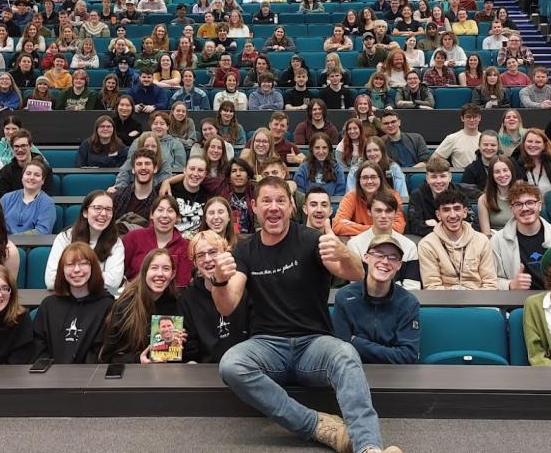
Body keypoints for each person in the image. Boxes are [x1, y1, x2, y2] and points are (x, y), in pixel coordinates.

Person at [211, 177, 399, 453]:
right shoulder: (245, 251)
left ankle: (369, 447)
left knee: (346, 354)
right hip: (267, 346)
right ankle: (316, 426)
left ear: (291, 207)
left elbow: (356, 274)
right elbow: (226, 306)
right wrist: (218, 281)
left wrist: (344, 253)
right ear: (254, 206)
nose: (273, 207)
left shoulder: (313, 240)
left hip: (314, 345)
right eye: (266, 201)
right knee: (231, 366)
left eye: (280, 201)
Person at [332, 235, 421, 364]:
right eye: (379, 255)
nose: (385, 261)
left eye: (393, 257)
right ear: (366, 258)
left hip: (396, 376)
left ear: (399, 265)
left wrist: (356, 342)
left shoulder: (408, 303)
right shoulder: (345, 297)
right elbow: (339, 348)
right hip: (351, 370)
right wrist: (390, 352)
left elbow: (408, 356)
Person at [490, 182, 551, 290]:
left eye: (530, 202)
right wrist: (510, 285)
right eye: (518, 204)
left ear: (539, 205)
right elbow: (488, 281)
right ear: (512, 209)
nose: (524, 208)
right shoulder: (498, 241)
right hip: (518, 302)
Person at [33, 242, 115, 363]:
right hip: (51, 377)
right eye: (70, 264)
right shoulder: (48, 305)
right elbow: (38, 347)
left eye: (83, 264)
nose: (77, 270)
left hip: (89, 377)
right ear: (62, 270)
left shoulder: (107, 305)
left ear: (93, 268)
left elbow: (103, 350)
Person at [178, 231, 251, 363]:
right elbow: (190, 348)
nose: (207, 259)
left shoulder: (244, 289)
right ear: (194, 263)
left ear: (225, 253)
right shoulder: (187, 299)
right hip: (204, 373)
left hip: (244, 366)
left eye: (212, 252)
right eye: (200, 255)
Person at [99, 248, 182, 364]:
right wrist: (138, 360)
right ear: (145, 272)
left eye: (166, 269)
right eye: (154, 268)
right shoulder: (125, 305)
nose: (160, 274)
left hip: (167, 375)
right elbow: (107, 357)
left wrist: (182, 344)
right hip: (133, 376)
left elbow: (187, 356)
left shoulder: (178, 304)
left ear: (172, 274)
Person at [46, 190, 125, 295]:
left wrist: (73, 276)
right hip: (68, 299)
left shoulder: (116, 242)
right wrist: (97, 277)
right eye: (97, 208)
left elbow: (114, 281)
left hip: (98, 302)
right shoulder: (65, 238)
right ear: (85, 212)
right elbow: (51, 280)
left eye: (108, 209)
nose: (103, 214)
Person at [418, 190, 496, 290]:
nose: (453, 215)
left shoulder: (482, 241)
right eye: (446, 210)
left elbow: (490, 284)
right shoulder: (427, 244)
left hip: (478, 300)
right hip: (443, 302)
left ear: (465, 212)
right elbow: (431, 287)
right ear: (438, 215)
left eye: (457, 209)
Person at [122, 196, 192, 287]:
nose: (164, 215)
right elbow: (120, 272)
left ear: (177, 217)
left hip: (169, 299)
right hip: (134, 295)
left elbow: (182, 284)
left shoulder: (185, 247)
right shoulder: (133, 237)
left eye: (170, 211)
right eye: (160, 210)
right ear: (152, 214)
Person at [334, 160, 407, 237]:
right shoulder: (351, 196)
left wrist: (356, 226)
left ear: (380, 179)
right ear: (359, 180)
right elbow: (337, 225)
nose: (369, 181)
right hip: (358, 242)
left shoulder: (393, 196)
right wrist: (380, 229)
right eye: (365, 178)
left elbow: (398, 227)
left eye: (373, 177)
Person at [0, 159, 57, 234]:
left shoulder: (47, 203)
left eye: (37, 175)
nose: (31, 177)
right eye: (28, 173)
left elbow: (42, 231)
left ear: (43, 180)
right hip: (4, 243)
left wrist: (15, 239)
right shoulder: (7, 198)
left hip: (32, 244)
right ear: (22, 177)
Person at [433, 103, 482, 170]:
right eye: (468, 117)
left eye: (475, 116)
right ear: (462, 118)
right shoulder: (452, 138)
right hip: (461, 177)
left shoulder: (485, 139)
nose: (472, 120)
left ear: (479, 118)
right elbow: (435, 159)